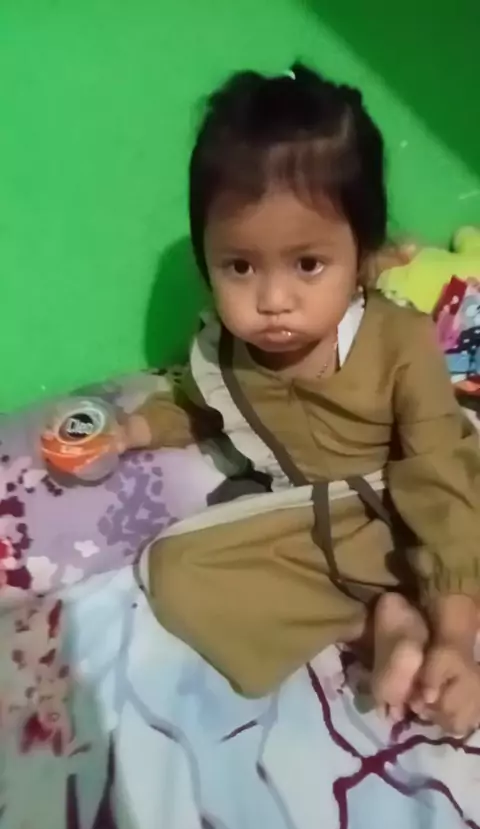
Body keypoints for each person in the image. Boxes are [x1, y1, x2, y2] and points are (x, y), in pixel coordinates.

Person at [120, 64, 480, 734]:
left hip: (425, 506)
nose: (273, 299)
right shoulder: (223, 352)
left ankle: (427, 617)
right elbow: (199, 403)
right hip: (325, 528)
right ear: (207, 261)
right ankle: (379, 623)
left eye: (308, 264)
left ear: (362, 255)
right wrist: (131, 432)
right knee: (175, 572)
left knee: (462, 518)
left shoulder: (400, 342)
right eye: (240, 266)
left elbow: (437, 476)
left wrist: (456, 638)